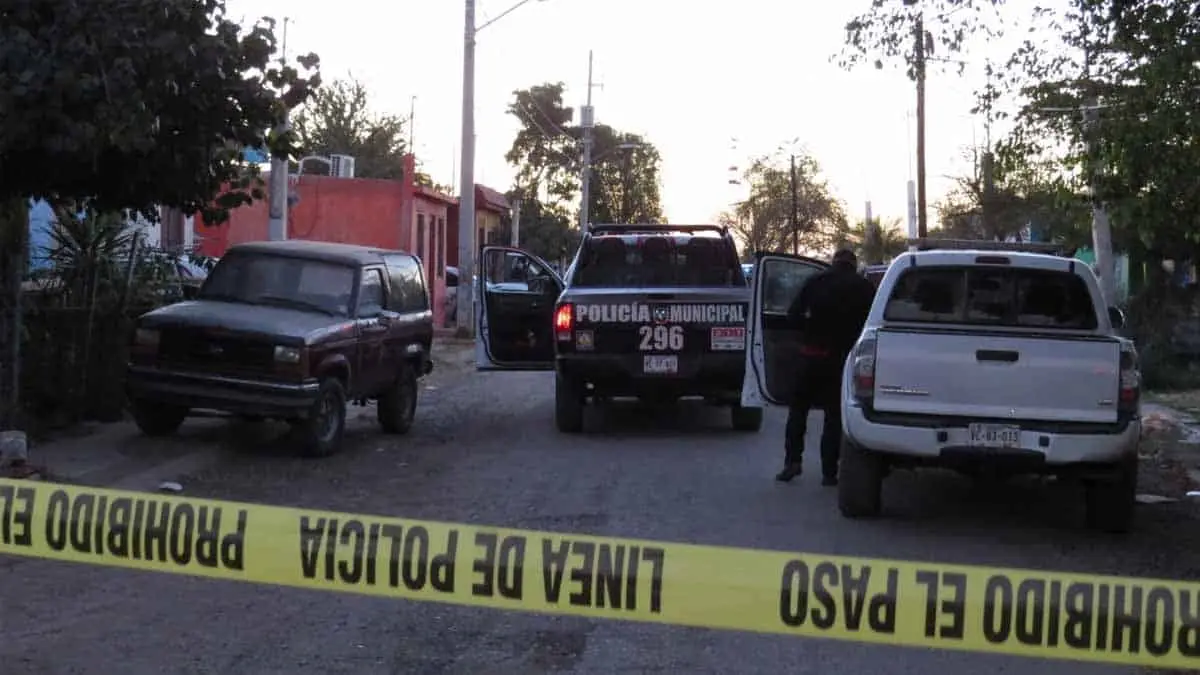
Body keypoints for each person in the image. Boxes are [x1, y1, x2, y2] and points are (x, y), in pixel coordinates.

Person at [776, 248, 876, 486]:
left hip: (811, 356)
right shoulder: (864, 288)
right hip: (843, 360)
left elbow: (792, 316)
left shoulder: (815, 281)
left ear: (834, 262)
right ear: (853, 264)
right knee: (834, 415)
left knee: (798, 410)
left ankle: (792, 461)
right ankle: (829, 471)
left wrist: (809, 330)